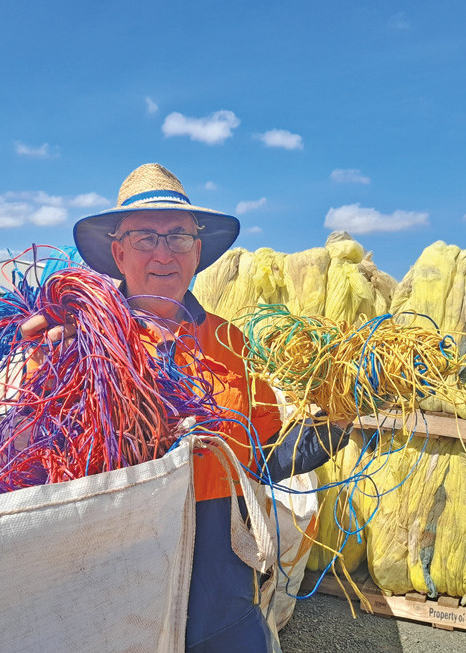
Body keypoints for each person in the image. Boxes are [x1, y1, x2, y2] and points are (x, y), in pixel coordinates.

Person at [24, 163, 350, 652]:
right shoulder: (76, 337)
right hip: (119, 567)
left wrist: (338, 419)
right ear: (117, 252)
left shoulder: (228, 340)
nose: (163, 253)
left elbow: (265, 457)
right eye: (144, 238)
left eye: (178, 237)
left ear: (197, 251)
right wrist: (53, 364)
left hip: (222, 580)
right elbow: (39, 450)